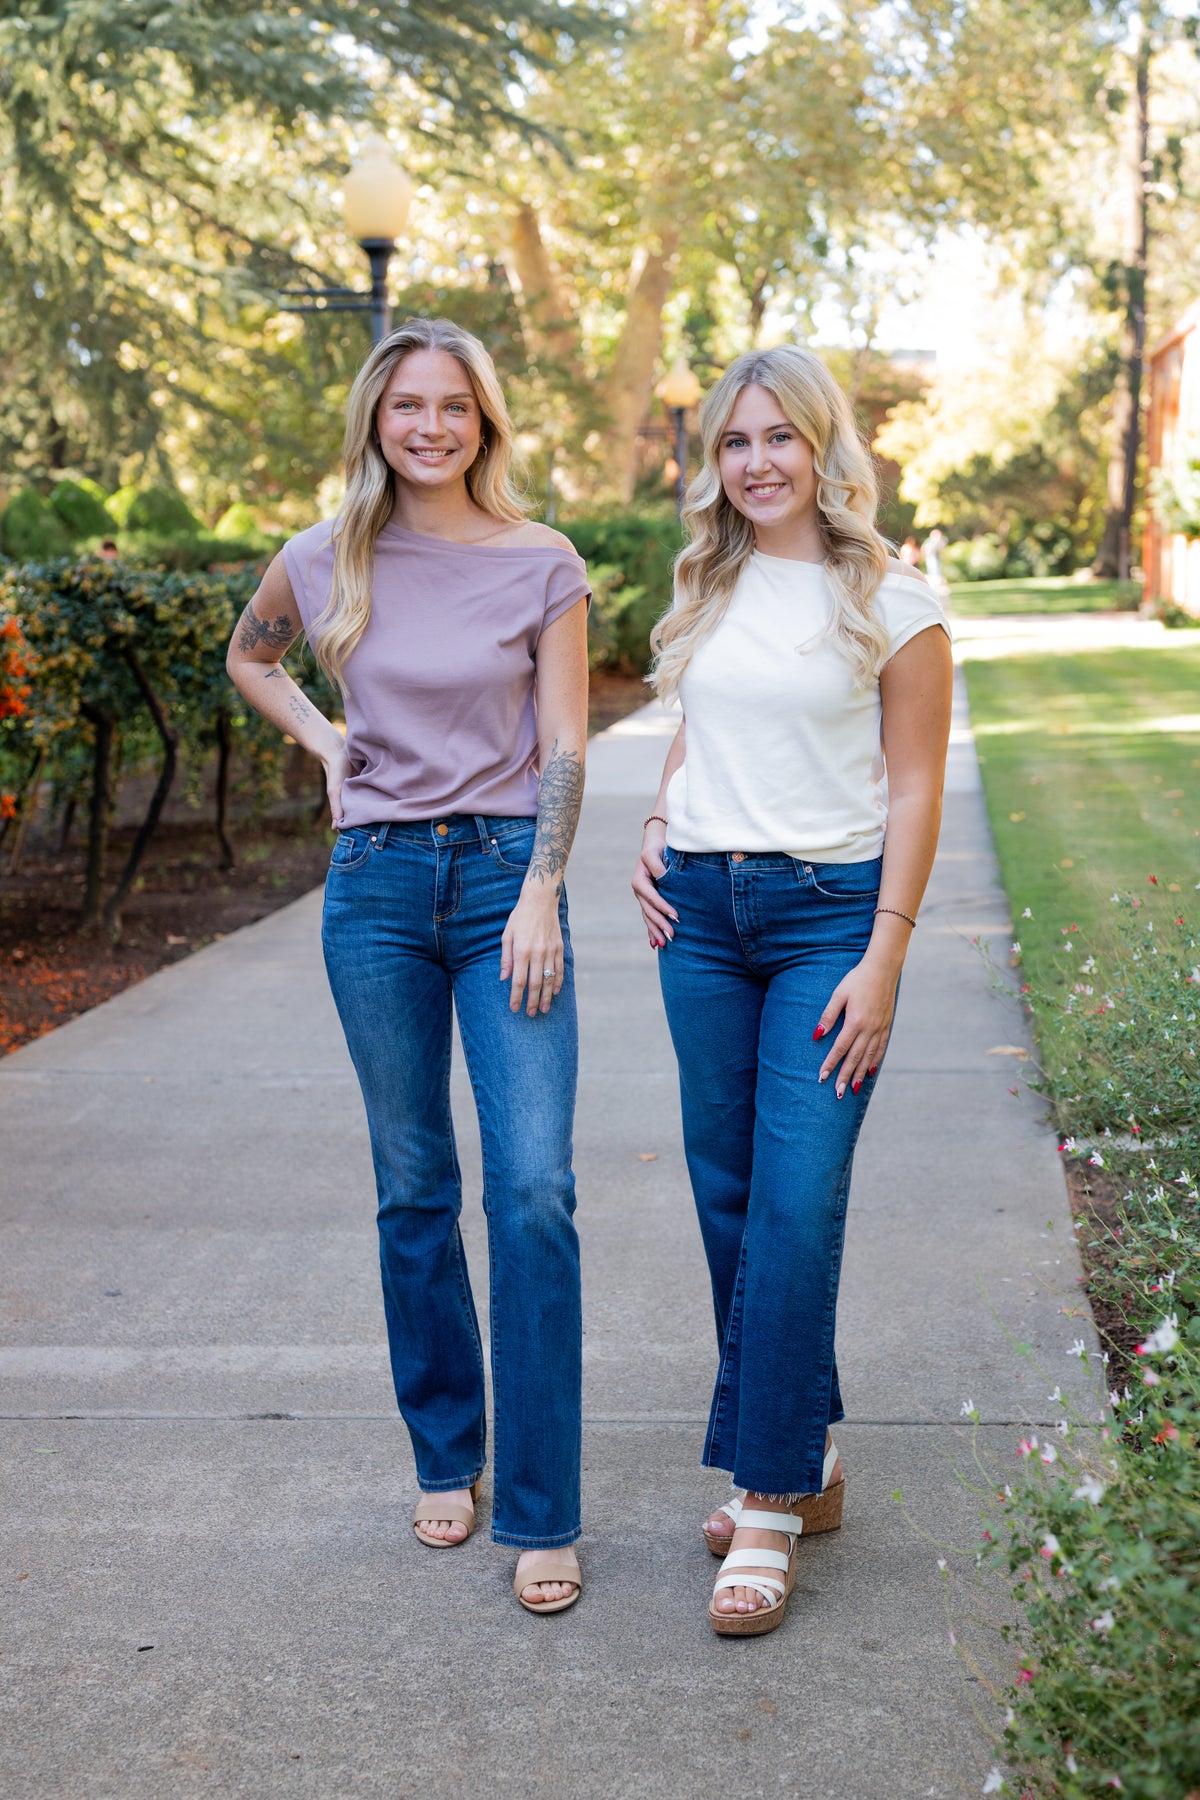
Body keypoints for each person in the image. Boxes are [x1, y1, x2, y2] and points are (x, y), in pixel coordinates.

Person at [226, 317, 590, 1615]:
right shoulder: (323, 559)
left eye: (454, 407)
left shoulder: (543, 561)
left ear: (484, 421)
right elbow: (247, 655)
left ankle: (543, 1508)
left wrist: (543, 886)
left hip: (506, 880)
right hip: (375, 890)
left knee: (535, 1187)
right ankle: (450, 1448)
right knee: (413, 1185)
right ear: (376, 421)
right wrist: (328, 747)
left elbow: (562, 749)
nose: (430, 427)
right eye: (408, 407)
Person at [631, 345, 952, 1637]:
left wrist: (885, 956)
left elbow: (917, 785)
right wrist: (658, 816)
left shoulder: (897, 598)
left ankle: (763, 1498)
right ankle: (805, 1460)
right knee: (730, 1199)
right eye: (734, 441)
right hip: (701, 920)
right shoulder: (706, 584)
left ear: (827, 448)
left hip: (830, 923)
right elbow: (703, 726)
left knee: (799, 1203)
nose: (757, 462)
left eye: (780, 437)